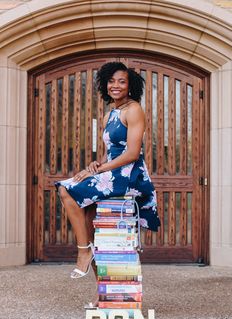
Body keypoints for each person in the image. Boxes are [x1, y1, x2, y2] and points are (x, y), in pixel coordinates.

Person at [55, 61, 160, 286]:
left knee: (66, 188)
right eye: (111, 81)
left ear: (129, 85)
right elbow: (109, 153)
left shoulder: (134, 110)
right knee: (93, 231)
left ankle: (83, 251)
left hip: (130, 176)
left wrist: (100, 169)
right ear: (105, 84)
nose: (116, 85)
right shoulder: (109, 114)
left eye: (122, 81)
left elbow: (132, 153)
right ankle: (100, 290)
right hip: (111, 173)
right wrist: (96, 164)